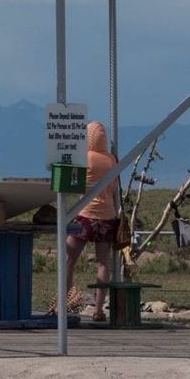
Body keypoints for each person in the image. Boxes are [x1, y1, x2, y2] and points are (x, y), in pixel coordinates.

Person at [63, 120, 120, 322]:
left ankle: (66, 302)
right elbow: (114, 188)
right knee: (103, 263)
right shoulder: (112, 159)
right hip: (107, 215)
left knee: (68, 260)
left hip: (85, 214)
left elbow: (73, 184)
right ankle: (98, 309)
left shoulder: (84, 158)